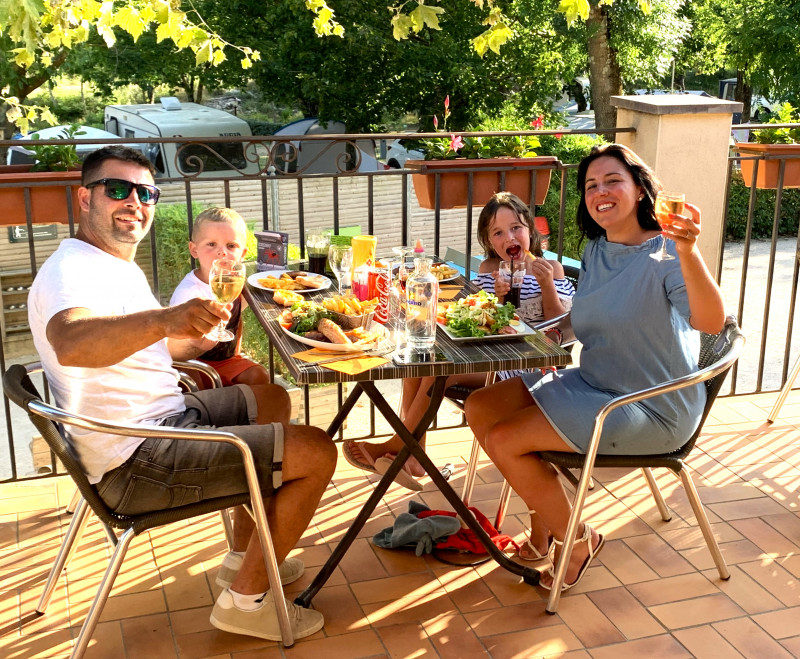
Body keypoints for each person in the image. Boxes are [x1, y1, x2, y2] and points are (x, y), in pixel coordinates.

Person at [27, 145, 337, 641]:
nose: (134, 202)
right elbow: (71, 342)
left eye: (145, 192)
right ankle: (245, 603)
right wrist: (165, 319)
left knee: (273, 400)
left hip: (157, 417)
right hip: (136, 459)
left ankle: (244, 557)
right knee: (316, 451)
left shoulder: (110, 263)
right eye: (117, 189)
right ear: (85, 198)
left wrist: (183, 334)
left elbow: (150, 347)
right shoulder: (73, 271)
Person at [464, 144, 726, 589]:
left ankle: (576, 539)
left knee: (506, 439)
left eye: (612, 181)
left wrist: (689, 249)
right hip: (597, 382)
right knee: (480, 406)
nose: (599, 192)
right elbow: (582, 316)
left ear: (640, 190)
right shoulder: (597, 249)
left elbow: (712, 322)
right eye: (591, 185)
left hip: (651, 405)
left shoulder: (668, 254)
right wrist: (548, 333)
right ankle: (548, 529)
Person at [343, 192, 575, 491]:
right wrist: (496, 299)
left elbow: (560, 329)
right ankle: (415, 454)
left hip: (527, 366)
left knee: (442, 369)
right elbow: (481, 316)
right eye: (498, 232)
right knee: (420, 361)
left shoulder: (550, 268)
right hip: (488, 356)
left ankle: (400, 444)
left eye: (516, 228)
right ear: (489, 241)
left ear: (530, 229)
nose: (509, 237)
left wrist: (546, 286)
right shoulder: (489, 270)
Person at [170, 206, 270, 388]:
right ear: (194, 250)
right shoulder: (190, 293)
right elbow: (177, 349)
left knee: (259, 376)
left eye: (231, 246)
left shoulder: (234, 283)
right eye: (211, 244)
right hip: (194, 364)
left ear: (242, 254)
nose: (222, 252)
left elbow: (238, 314)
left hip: (225, 361)